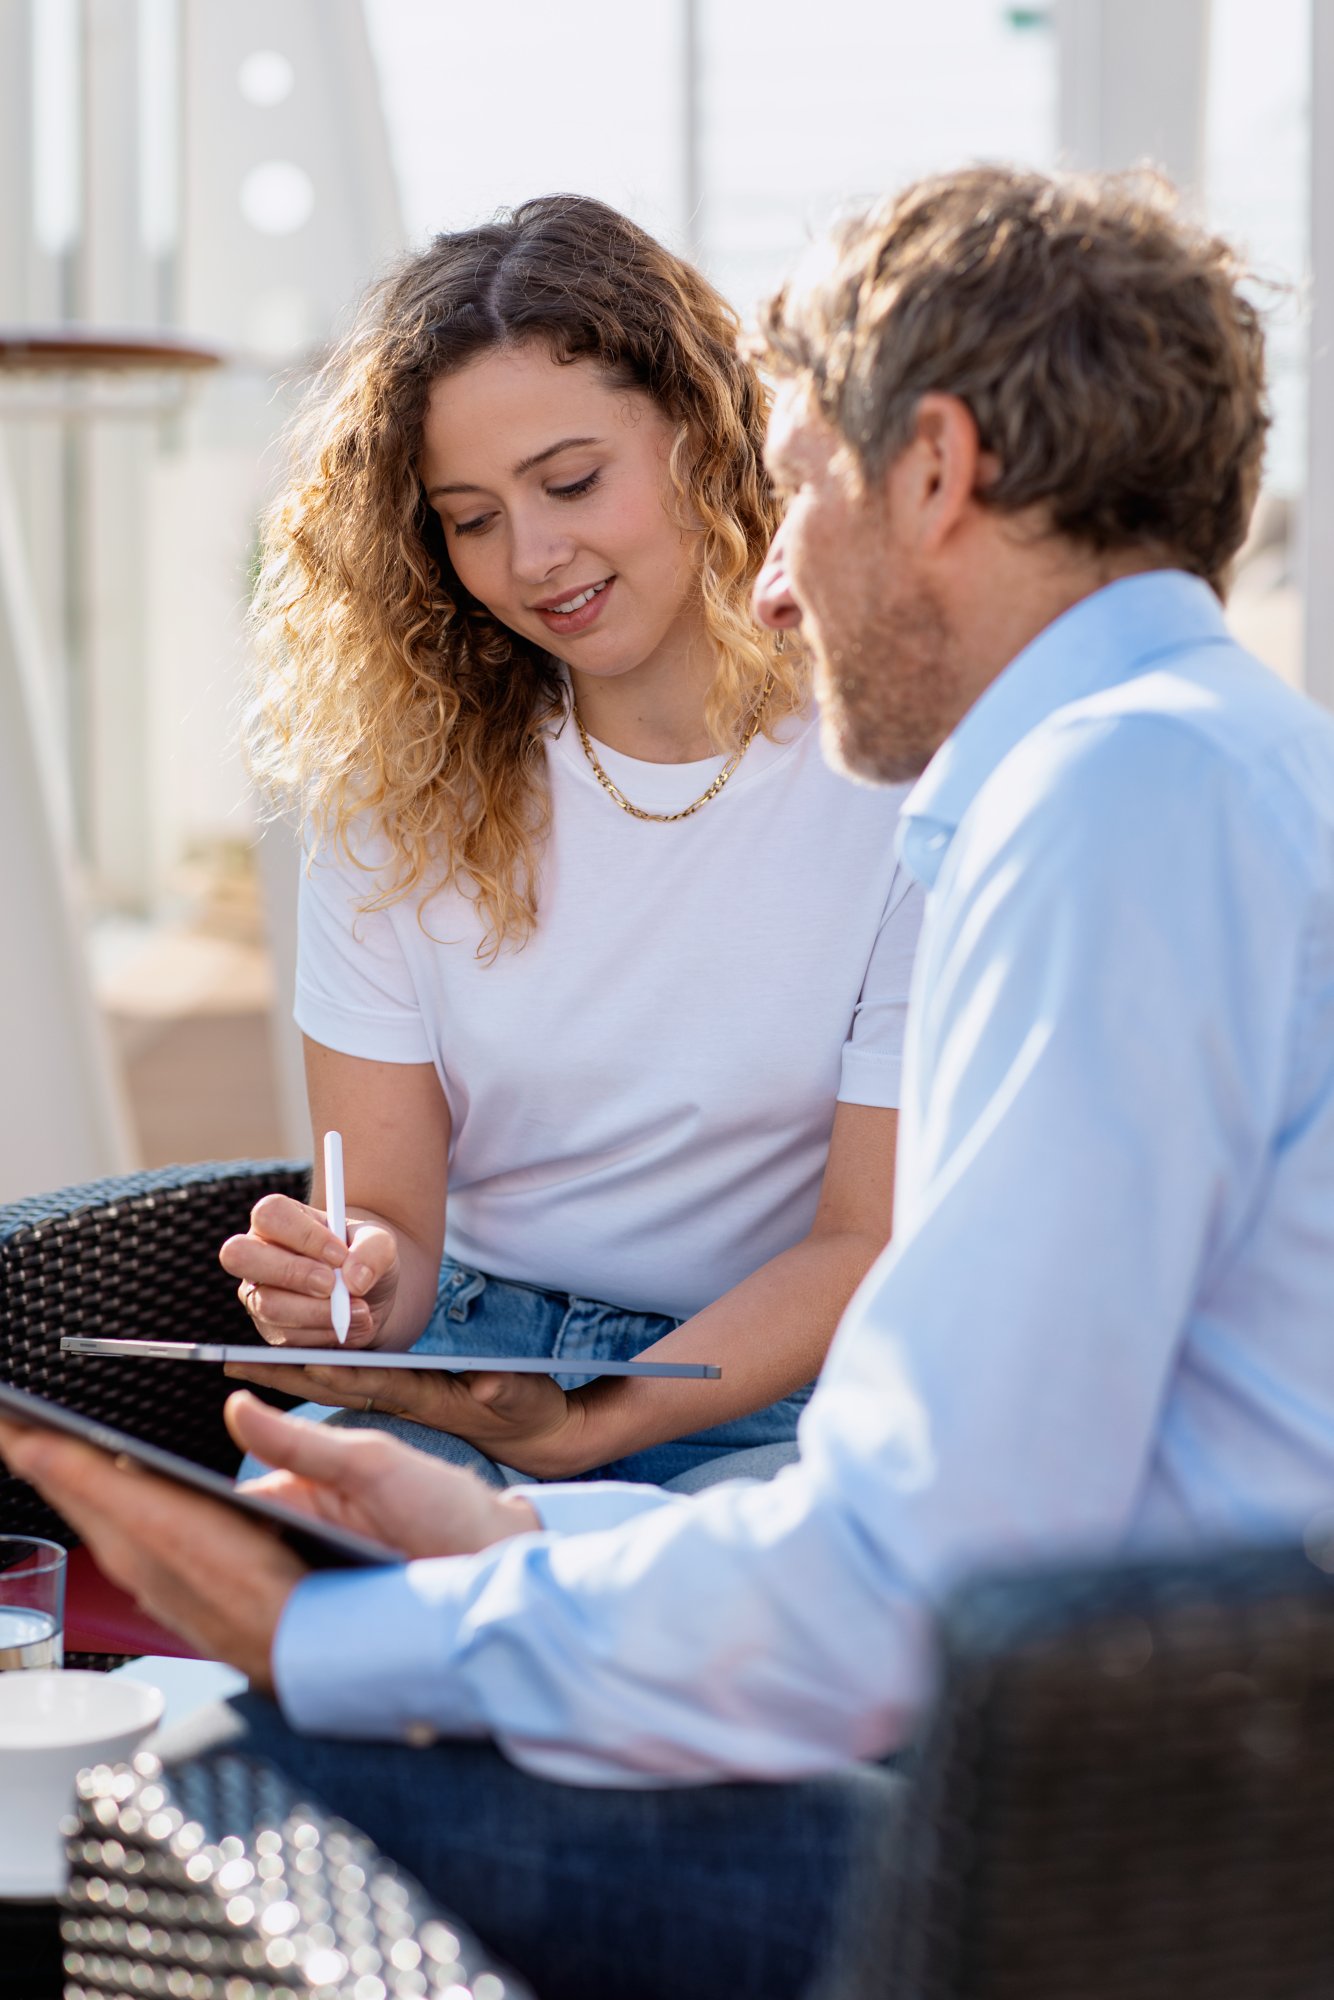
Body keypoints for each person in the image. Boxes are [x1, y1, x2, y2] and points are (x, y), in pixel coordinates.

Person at [6, 164, 1334, 2000]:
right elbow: (964, 1507)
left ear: (930, 470)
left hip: (1111, 1869)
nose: (771, 567)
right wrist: (515, 1526)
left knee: (248, 1794)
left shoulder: (1100, 813)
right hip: (1126, 1772)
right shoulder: (1207, 765)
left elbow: (913, 1572)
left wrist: (356, 1641)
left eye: (790, 478)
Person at [215, 193, 921, 1494]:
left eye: (572, 481)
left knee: (715, 1635)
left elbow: (862, 1238)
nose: (532, 558)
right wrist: (350, 1283)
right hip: (472, 1373)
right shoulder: (401, 793)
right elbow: (392, 1220)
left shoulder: (891, 779)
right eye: (470, 517)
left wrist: (590, 1429)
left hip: (771, 1390)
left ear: (711, 439)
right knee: (301, 1544)